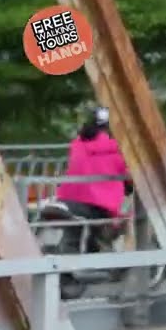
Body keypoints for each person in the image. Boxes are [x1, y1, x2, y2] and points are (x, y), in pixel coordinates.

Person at [54, 106, 131, 252]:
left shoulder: (77, 145)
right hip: (98, 204)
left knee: (73, 236)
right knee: (109, 229)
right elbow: (129, 176)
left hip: (68, 199)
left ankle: (67, 261)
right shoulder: (117, 150)